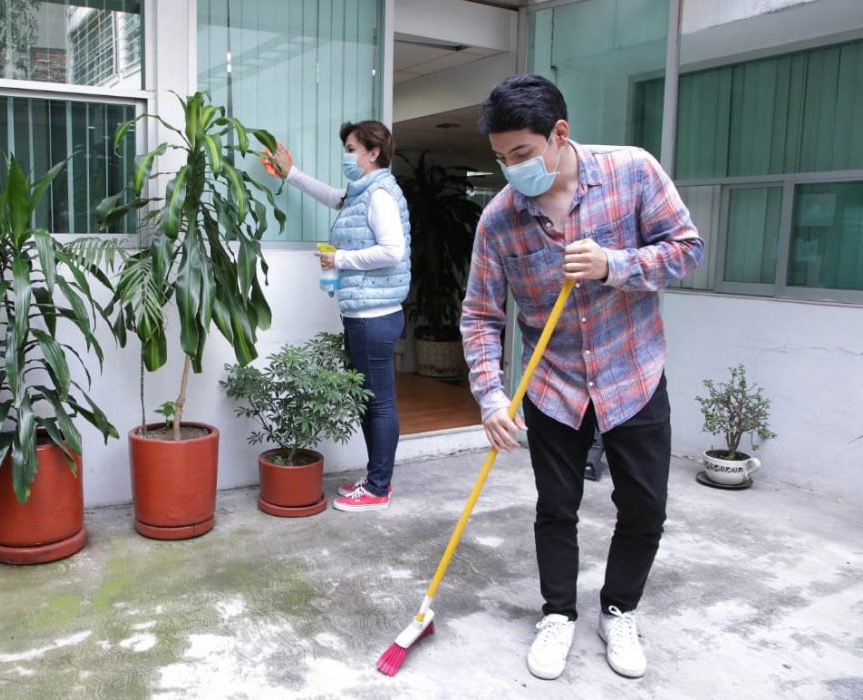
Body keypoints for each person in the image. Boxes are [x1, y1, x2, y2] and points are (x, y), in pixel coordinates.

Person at [459, 74, 704, 680]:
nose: (512, 169)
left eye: (521, 154)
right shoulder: (500, 221)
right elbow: (481, 314)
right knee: (556, 508)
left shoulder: (633, 172)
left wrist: (613, 264)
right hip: (554, 383)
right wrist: (491, 396)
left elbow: (687, 249)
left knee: (645, 507)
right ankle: (558, 613)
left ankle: (619, 607)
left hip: (632, 372)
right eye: (500, 158)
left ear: (558, 134)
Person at [264, 121, 410, 512]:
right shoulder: (364, 192)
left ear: (373, 152)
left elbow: (392, 250)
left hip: (373, 316)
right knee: (370, 402)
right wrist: (290, 174)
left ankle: (379, 488)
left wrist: (340, 259)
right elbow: (333, 197)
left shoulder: (378, 194)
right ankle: (377, 479)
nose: (346, 156)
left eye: (350, 149)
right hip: (367, 313)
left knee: (378, 403)